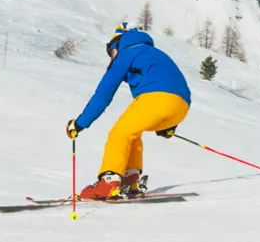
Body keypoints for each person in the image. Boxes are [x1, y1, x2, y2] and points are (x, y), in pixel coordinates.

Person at [66, 23, 191, 200]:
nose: (111, 57)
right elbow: (177, 85)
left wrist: (79, 124)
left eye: (110, 52)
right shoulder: (156, 54)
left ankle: (108, 183)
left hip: (155, 98)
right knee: (132, 132)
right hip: (181, 106)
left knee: (119, 134)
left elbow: (103, 94)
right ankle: (131, 181)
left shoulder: (127, 53)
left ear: (117, 44)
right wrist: (170, 124)